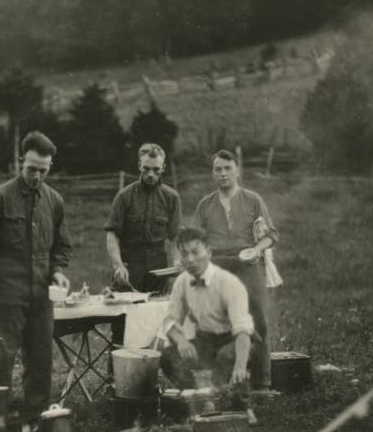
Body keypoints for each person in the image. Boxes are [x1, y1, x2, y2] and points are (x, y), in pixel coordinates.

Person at [0, 131, 72, 420]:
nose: (37, 176)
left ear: (50, 167)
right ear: (19, 162)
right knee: (0, 358)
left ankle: (34, 420)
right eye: (31, 169)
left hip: (41, 295)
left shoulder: (54, 201)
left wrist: (59, 271)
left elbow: (62, 245)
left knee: (40, 358)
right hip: (5, 294)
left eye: (43, 170)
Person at [191, 149, 279, 391]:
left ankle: (262, 383)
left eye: (228, 168)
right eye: (217, 169)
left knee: (258, 320)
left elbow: (271, 234)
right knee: (215, 322)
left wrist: (256, 250)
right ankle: (221, 382)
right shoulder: (205, 205)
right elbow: (195, 239)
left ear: (237, 170)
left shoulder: (253, 200)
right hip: (217, 267)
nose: (223, 174)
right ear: (213, 173)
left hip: (249, 265)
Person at [159, 227, 257, 392]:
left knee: (225, 358)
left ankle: (223, 395)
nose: (190, 259)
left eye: (196, 252)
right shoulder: (182, 282)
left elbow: (243, 332)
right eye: (184, 254)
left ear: (209, 252)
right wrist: (181, 341)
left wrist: (240, 366)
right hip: (205, 342)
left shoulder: (228, 283)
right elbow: (169, 321)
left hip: (234, 342)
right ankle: (196, 396)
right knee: (168, 357)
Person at [105, 143, 182, 294]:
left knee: (158, 311)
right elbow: (112, 235)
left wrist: (177, 263)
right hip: (130, 265)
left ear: (163, 168)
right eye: (146, 169)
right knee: (125, 312)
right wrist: (118, 265)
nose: (151, 174)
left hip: (159, 266)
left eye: (156, 169)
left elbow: (176, 235)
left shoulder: (172, 197)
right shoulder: (124, 196)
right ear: (139, 166)